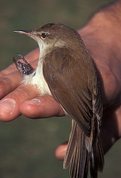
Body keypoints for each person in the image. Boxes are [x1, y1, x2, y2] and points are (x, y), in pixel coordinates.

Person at [0, 0, 121, 160]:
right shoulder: (77, 51)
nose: (36, 35)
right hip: (88, 110)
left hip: (80, 110)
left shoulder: (53, 57)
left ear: (57, 41)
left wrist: (85, 123)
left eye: (43, 36)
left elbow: (57, 92)